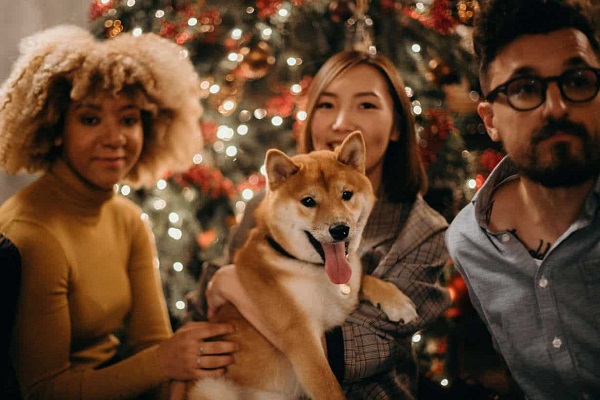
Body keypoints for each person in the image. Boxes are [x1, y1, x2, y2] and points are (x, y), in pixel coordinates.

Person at [186, 50, 451, 399]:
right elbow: (205, 310)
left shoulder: (423, 229)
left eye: (366, 105)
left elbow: (362, 350)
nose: (342, 122)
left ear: (398, 126)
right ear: (309, 118)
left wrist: (235, 284)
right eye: (326, 105)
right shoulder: (267, 208)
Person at [0, 25, 240, 400]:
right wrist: (164, 362)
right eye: (90, 119)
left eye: (128, 119)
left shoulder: (127, 219)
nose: (115, 139)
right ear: (56, 126)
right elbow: (43, 392)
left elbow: (153, 345)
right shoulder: (34, 234)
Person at [445, 0, 600, 399]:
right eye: (525, 89)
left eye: (579, 80)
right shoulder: (469, 240)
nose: (556, 107)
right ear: (490, 119)